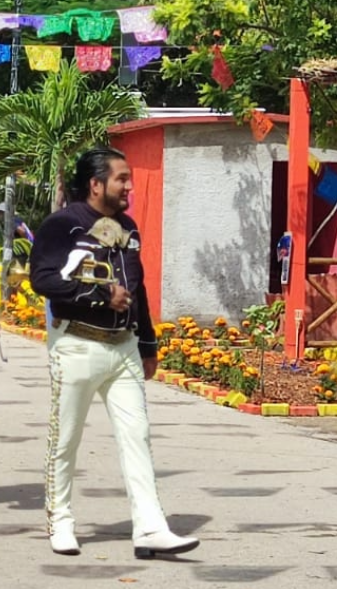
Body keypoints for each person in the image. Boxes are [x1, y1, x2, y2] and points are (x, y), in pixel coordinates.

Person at [29, 147, 198, 558]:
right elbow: (43, 279)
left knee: (136, 435)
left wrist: (148, 343)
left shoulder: (129, 227)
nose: (129, 187)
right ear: (96, 184)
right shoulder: (62, 225)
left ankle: (150, 528)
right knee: (65, 439)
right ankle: (61, 520)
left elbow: (136, 289)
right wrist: (100, 294)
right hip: (77, 345)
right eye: (122, 179)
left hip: (123, 349)